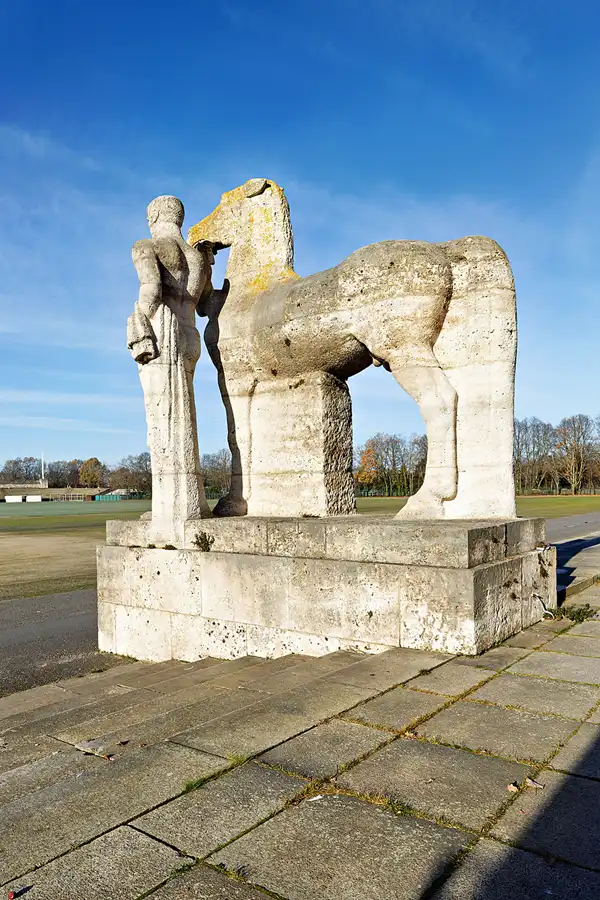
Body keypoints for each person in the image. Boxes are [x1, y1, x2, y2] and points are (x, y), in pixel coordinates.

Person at [127, 195, 213, 541]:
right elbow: (197, 299)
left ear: (155, 216)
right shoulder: (196, 256)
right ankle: (189, 502)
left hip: (163, 332)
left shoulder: (147, 245)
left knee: (162, 419)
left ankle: (171, 509)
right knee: (184, 414)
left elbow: (151, 288)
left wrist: (138, 318)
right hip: (189, 333)